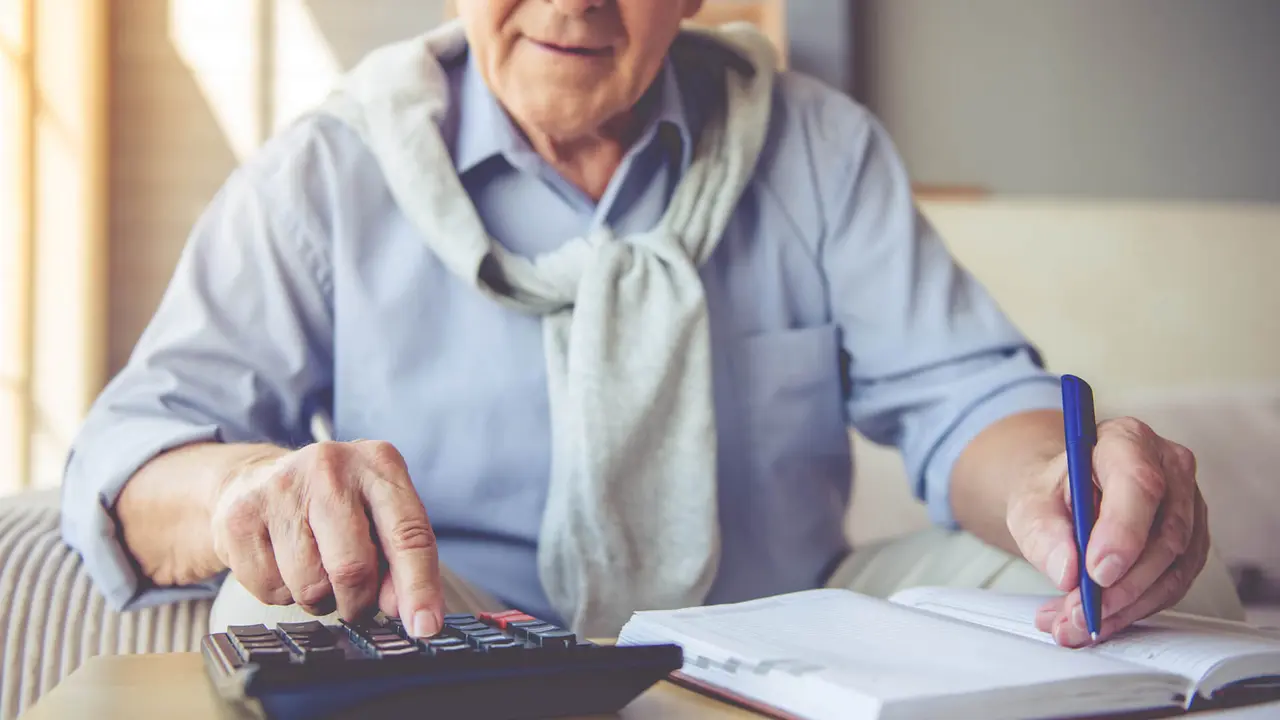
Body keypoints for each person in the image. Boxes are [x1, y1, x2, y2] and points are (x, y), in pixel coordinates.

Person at [61, 0, 1243, 646]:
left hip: (784, 641)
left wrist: (1056, 484)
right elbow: (129, 464)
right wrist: (251, 486)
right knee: (269, 598)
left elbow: (968, 399)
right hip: (463, 645)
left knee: (1140, 589)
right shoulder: (324, 173)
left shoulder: (815, 147)